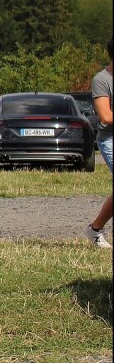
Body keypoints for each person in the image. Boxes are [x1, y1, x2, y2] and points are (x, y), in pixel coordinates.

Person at [84, 37, 112, 249]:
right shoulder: (101, 79)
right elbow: (105, 116)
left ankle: (94, 229)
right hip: (110, 139)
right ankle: (94, 230)